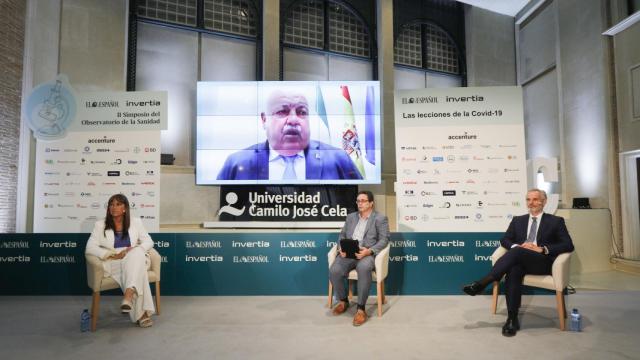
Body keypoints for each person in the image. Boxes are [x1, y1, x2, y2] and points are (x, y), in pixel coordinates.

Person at [462, 188, 574, 337]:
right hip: (519, 260)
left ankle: (482, 283)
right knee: (513, 269)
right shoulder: (518, 220)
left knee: (517, 254)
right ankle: (512, 318)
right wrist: (517, 247)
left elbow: (568, 244)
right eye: (528, 200)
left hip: (542, 262)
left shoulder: (555, 221)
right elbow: (505, 240)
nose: (531, 203)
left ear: (544, 201)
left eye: (535, 199)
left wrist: (542, 249)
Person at [216, 89, 363, 180]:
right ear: (264, 119)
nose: (293, 120)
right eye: (282, 111)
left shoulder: (338, 160)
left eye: (302, 112)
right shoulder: (236, 163)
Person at [85, 194, 156, 328]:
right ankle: (141, 313)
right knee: (138, 273)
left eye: (118, 204)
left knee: (136, 256)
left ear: (125, 208)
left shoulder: (136, 222)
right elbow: (90, 247)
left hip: (135, 256)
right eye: (111, 204)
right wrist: (110, 255)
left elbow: (148, 241)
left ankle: (129, 295)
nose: (114, 207)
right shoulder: (100, 225)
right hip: (115, 261)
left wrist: (135, 249)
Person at [329, 190, 390, 326]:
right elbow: (342, 235)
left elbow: (384, 240)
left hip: (366, 254)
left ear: (371, 203)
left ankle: (361, 309)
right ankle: (344, 301)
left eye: (363, 201)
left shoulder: (380, 218)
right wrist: (341, 249)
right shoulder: (351, 217)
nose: (359, 203)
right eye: (358, 201)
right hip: (348, 253)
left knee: (363, 268)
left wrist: (369, 251)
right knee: (334, 270)